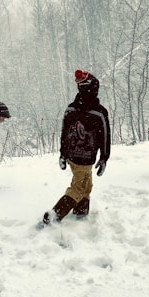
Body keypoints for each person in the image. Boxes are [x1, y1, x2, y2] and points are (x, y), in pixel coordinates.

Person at [41, 70, 111, 225]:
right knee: (78, 188)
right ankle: (54, 215)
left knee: (87, 184)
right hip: (85, 158)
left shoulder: (71, 109)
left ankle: (81, 210)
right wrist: (104, 157)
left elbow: (64, 134)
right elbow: (105, 137)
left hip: (73, 156)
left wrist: (63, 154)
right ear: (93, 89)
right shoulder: (99, 113)